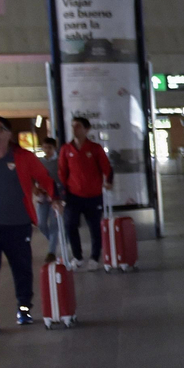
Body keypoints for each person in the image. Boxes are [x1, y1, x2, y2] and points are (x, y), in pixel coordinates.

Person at [0, 115, 59, 331]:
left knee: (21, 269)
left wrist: (55, 198)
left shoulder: (24, 157)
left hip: (18, 225)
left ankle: (24, 309)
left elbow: (45, 178)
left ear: (9, 134)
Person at [58, 116, 113, 270]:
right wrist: (62, 193)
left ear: (86, 129)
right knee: (70, 225)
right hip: (73, 196)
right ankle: (77, 257)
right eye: (73, 126)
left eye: (78, 126)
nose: (74, 129)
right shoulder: (66, 149)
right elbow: (62, 172)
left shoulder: (95, 148)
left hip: (93, 196)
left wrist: (108, 181)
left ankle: (95, 257)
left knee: (95, 227)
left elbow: (106, 167)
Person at [34, 137, 62, 261]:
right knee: (41, 223)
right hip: (42, 196)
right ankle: (53, 240)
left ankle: (51, 251)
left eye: (49, 148)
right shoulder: (39, 162)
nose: (47, 150)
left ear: (54, 148)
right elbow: (34, 177)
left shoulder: (60, 162)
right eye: (45, 147)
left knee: (54, 224)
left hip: (56, 196)